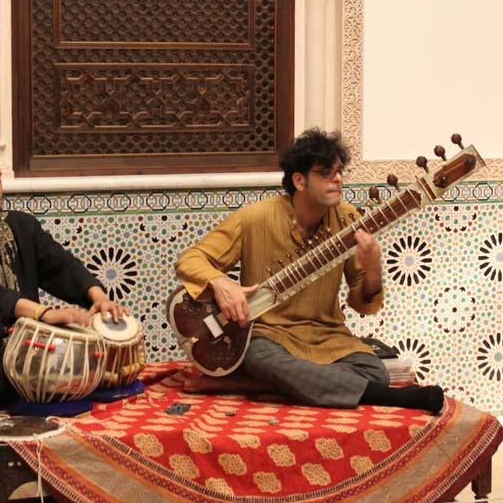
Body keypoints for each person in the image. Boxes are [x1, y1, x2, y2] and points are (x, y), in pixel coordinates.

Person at [175, 128, 444, 414]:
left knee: (374, 370)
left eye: (339, 171)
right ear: (299, 180)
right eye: (326, 173)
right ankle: (396, 398)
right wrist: (220, 282)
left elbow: (363, 305)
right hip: (269, 335)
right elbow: (190, 260)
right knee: (260, 357)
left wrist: (372, 269)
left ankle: (259, 383)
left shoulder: (348, 221)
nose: (338, 179)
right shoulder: (255, 217)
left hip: (326, 336)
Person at [0, 140, 123, 408]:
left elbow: (61, 265)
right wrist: (43, 314)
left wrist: (99, 298)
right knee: (36, 382)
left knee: (92, 368)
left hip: (26, 348)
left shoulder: (21, 225)